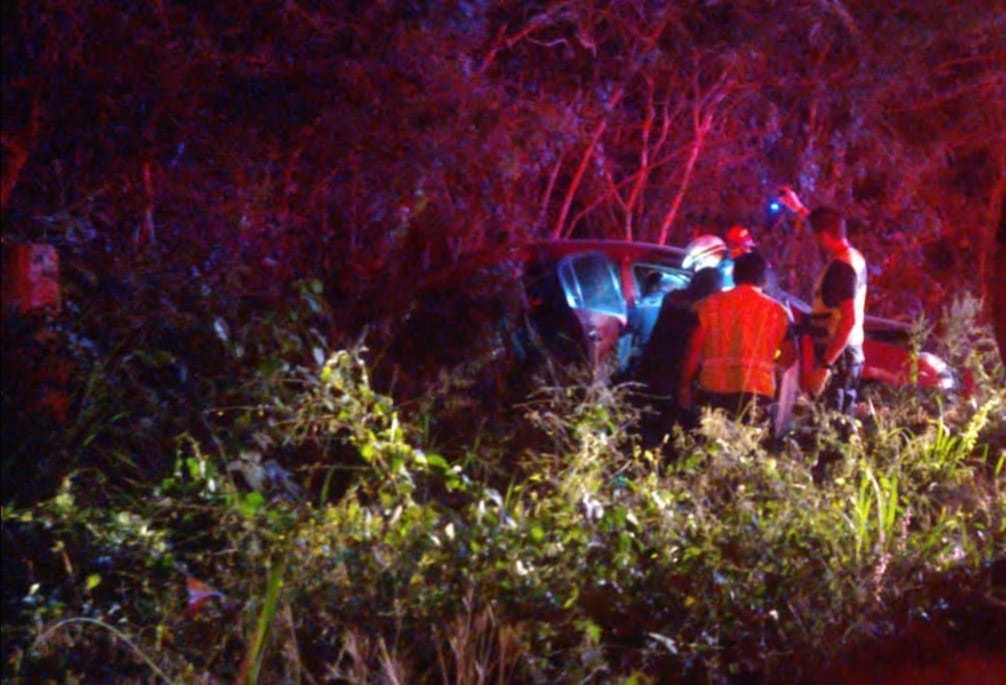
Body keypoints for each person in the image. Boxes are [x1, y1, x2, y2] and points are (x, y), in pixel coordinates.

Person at [678, 252, 797, 422]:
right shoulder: (778, 312)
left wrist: (685, 386)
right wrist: (771, 372)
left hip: (714, 389)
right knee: (747, 445)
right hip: (758, 392)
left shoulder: (707, 305)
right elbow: (790, 354)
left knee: (711, 444)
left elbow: (693, 349)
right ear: (764, 278)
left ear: (734, 275)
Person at [634, 267, 723, 442]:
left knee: (644, 418)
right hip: (675, 372)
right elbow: (692, 349)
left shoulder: (672, 298)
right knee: (667, 424)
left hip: (652, 364)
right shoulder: (699, 311)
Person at [804, 206, 868, 419]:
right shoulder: (854, 258)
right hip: (847, 354)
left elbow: (847, 319)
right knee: (838, 422)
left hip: (839, 357)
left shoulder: (842, 267)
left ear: (823, 235)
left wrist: (826, 365)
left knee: (831, 424)